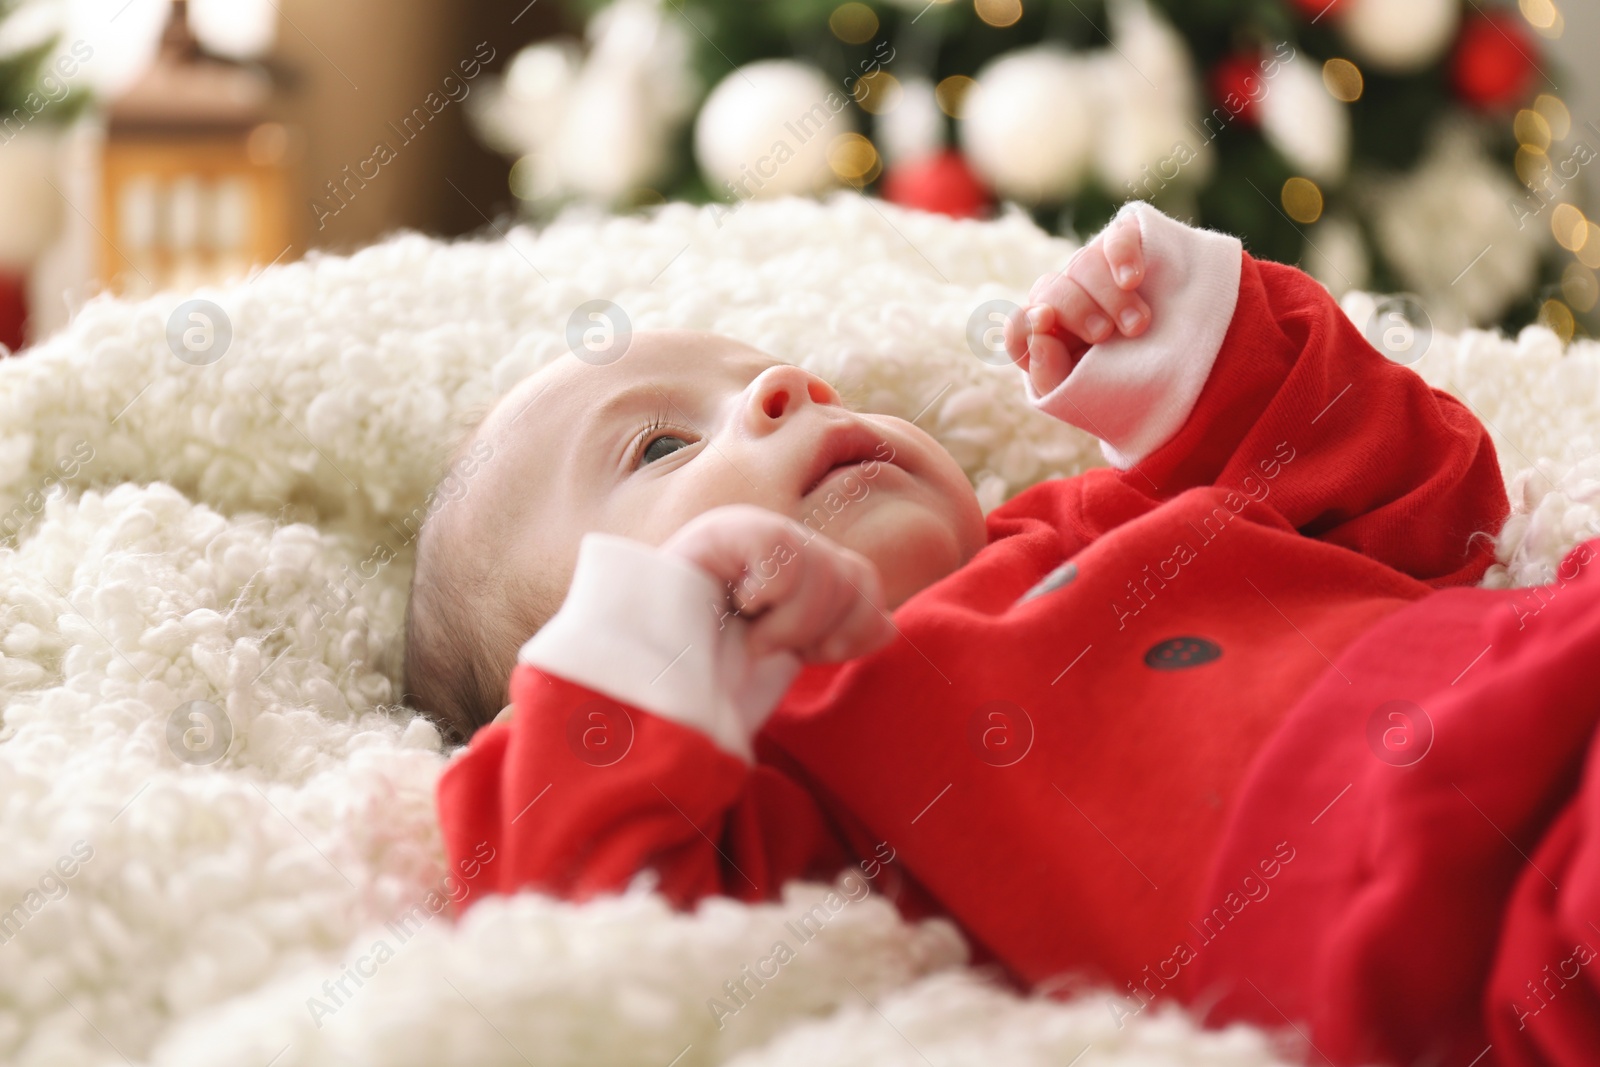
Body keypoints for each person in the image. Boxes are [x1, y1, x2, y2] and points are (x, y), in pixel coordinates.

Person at [409, 202, 1583, 1066]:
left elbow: (1427, 511)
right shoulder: (790, 775)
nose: (782, 392)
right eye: (660, 447)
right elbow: (585, 936)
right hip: (1449, 890)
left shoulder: (1086, 516)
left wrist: (1199, 356)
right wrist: (649, 651)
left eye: (785, 378)